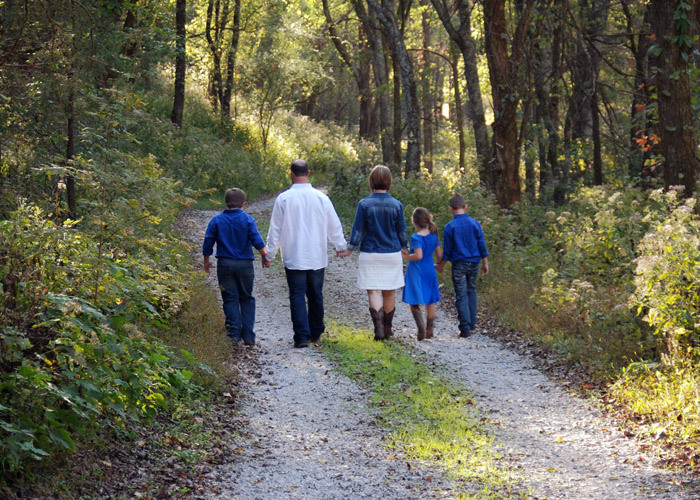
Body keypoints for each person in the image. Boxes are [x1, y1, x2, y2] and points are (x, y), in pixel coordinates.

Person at [264, 159, 348, 348]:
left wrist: (269, 254)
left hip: (294, 256)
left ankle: (301, 336)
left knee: (297, 295)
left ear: (291, 174)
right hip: (316, 255)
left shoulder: (283, 199)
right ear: (308, 173)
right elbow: (333, 225)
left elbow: (275, 230)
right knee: (315, 294)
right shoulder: (321, 198)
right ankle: (316, 331)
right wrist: (340, 246)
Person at [340, 165, 408, 341]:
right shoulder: (396, 205)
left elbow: (358, 230)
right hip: (392, 253)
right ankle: (387, 329)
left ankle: (378, 329)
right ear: (389, 182)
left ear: (371, 181)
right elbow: (401, 230)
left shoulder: (364, 204)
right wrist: (405, 246)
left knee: (374, 292)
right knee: (390, 292)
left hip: (370, 253)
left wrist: (350, 248)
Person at [203, 188, 269, 347]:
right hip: (244, 264)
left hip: (224, 264)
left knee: (230, 299)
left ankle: (233, 335)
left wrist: (206, 261)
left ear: (226, 203)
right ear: (243, 204)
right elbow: (257, 240)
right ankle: (248, 335)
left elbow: (208, 242)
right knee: (246, 297)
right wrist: (264, 256)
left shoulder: (216, 220)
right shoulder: (247, 220)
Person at [436, 193, 489, 337]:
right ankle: (472, 323)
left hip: (459, 264)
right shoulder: (474, 223)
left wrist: (441, 265)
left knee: (461, 294)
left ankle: (464, 327)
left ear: (450, 209)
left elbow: (447, 250)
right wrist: (485, 263)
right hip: (474, 263)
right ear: (465, 207)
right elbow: (481, 244)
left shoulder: (449, 227)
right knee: (472, 290)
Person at [402, 207, 442, 341]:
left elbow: (418, 256)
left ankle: (421, 331)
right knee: (430, 300)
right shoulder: (434, 234)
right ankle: (430, 330)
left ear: (414, 222)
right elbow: (440, 255)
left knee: (413, 301)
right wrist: (437, 265)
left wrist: (405, 257)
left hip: (416, 271)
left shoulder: (416, 237)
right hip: (429, 268)